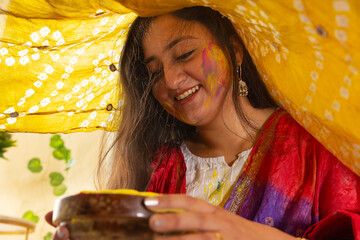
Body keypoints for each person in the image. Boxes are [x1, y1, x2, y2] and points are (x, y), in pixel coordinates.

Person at [48, 6, 360, 240]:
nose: (170, 80)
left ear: (234, 50)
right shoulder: (161, 167)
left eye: (184, 54)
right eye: (154, 72)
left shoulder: (318, 147)